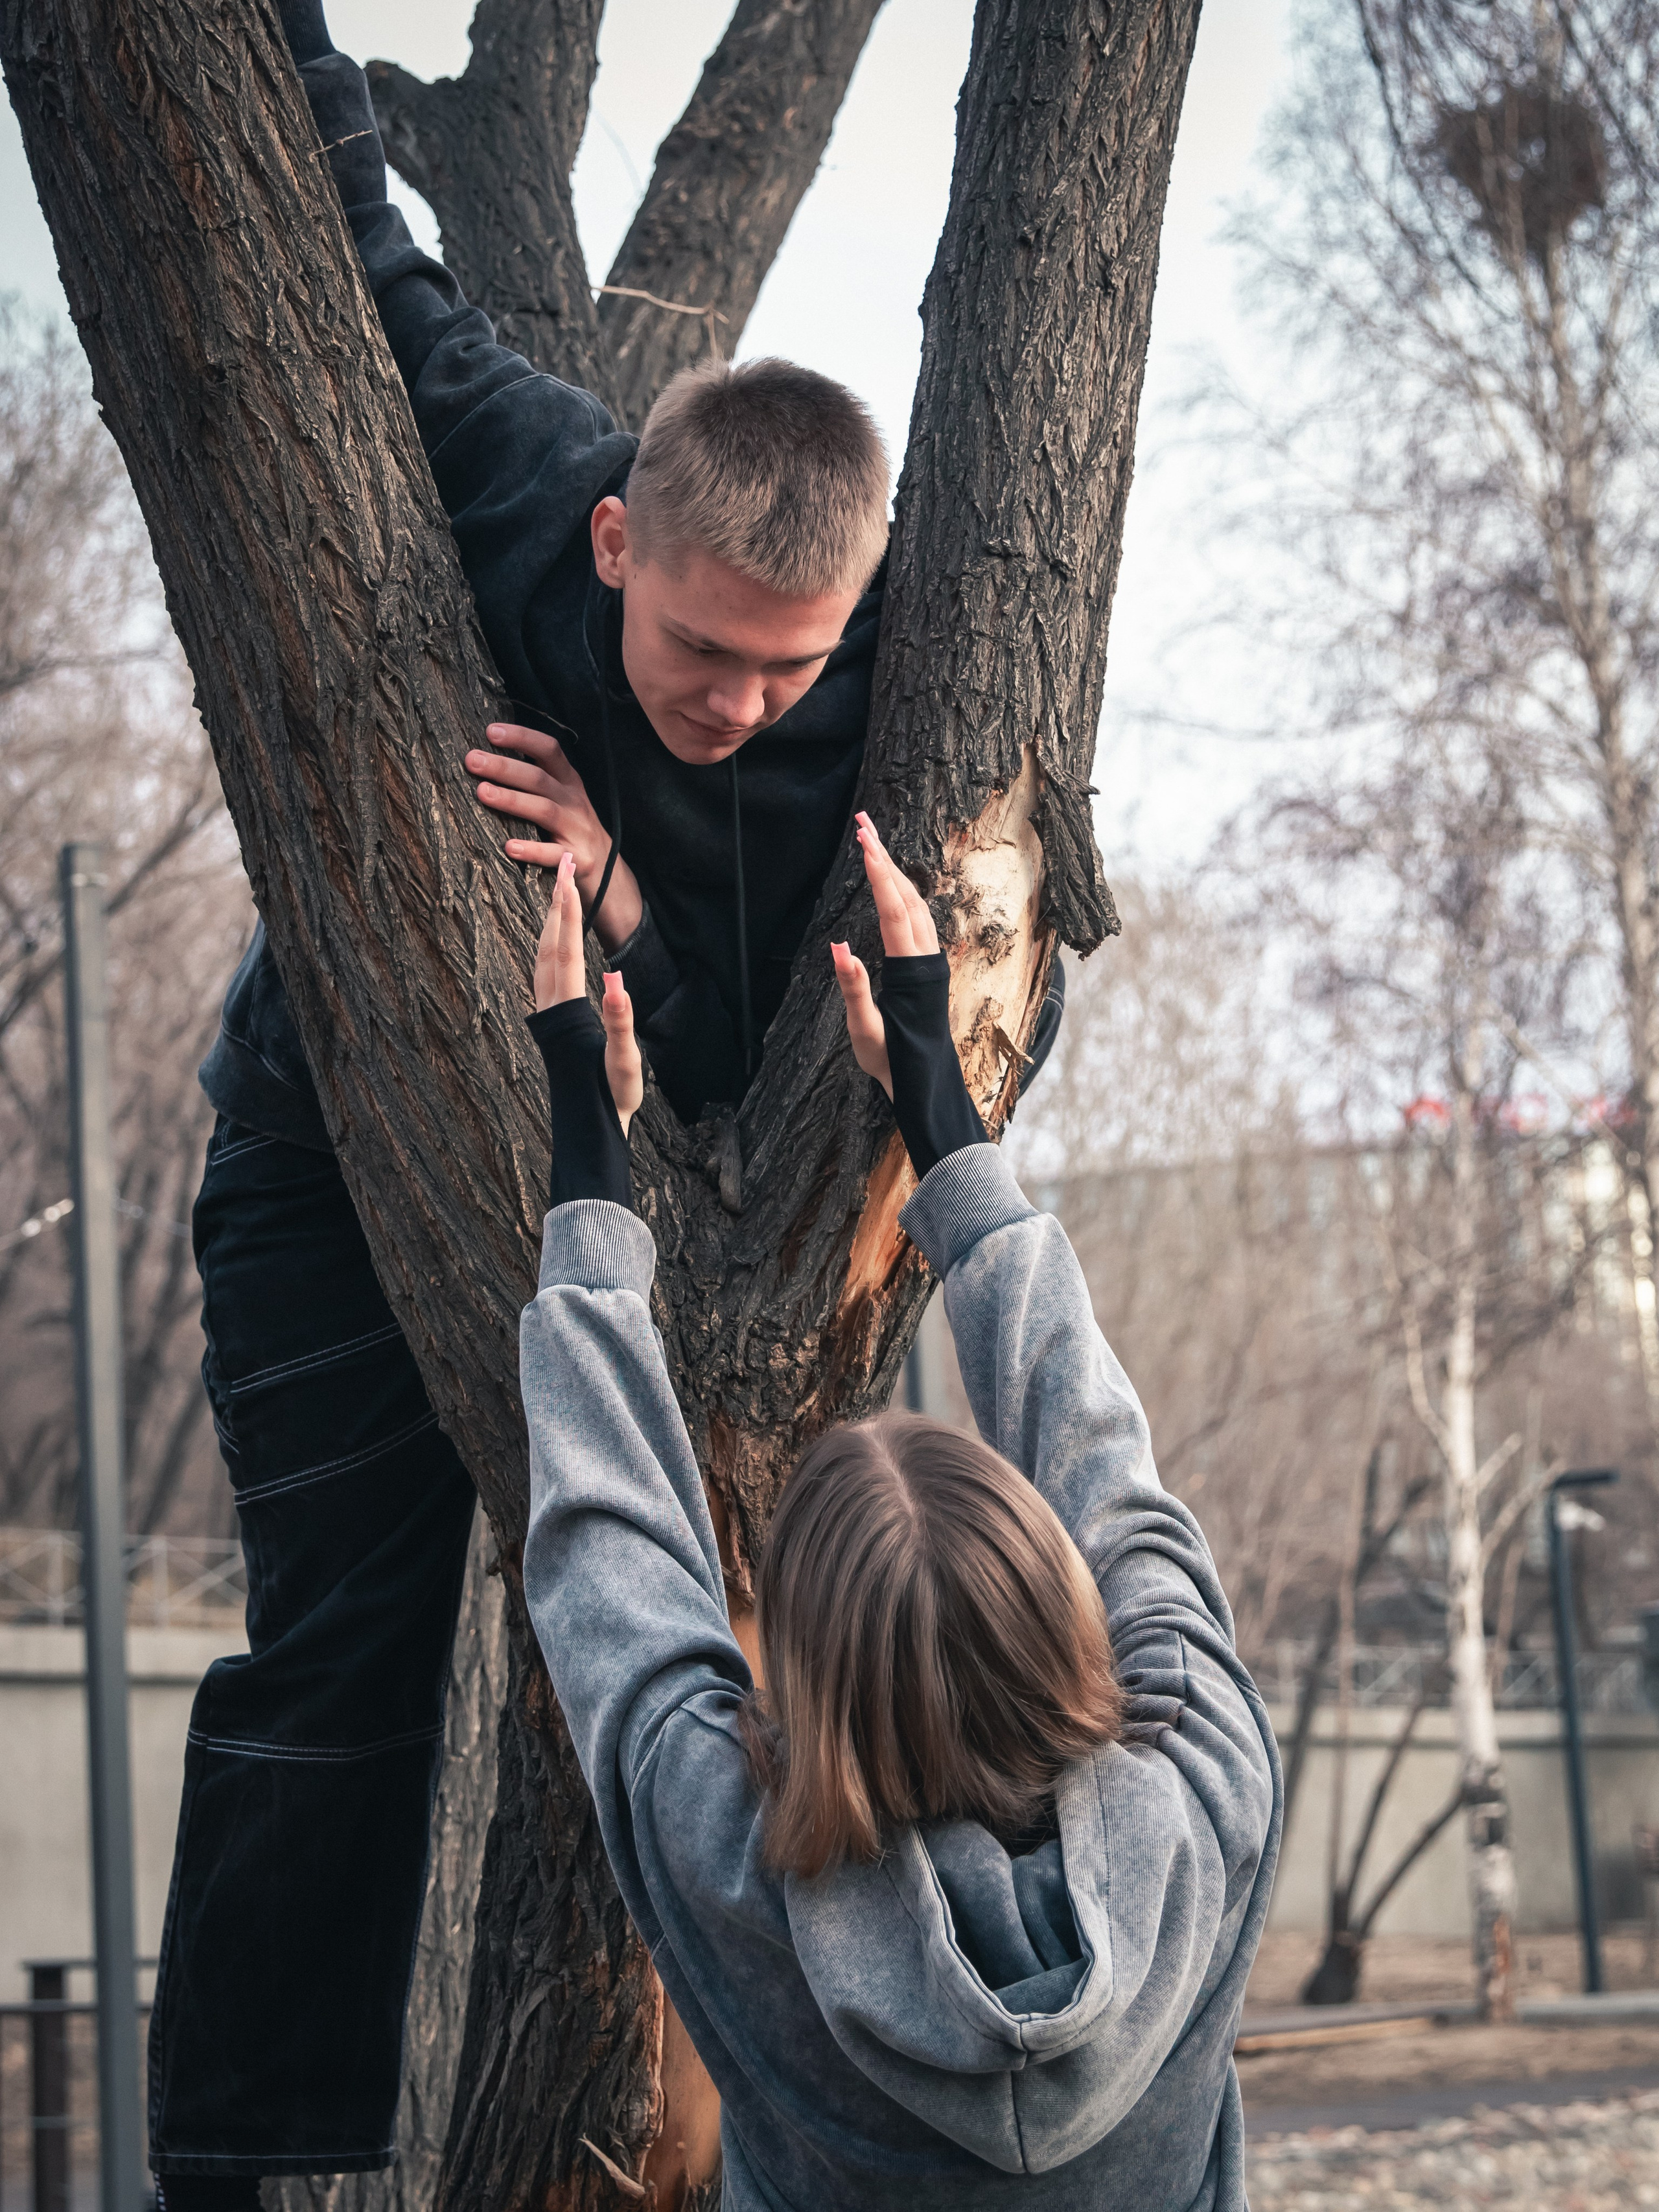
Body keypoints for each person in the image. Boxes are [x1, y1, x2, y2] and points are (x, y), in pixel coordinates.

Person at [150, 4, 1062, 2198]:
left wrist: (632, 891)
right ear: (615, 540)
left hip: (641, 1191)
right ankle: (234, 2158)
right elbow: (357, 250)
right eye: (703, 658)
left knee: (732, 1650)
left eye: (796, 663)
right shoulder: (522, 453)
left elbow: (765, 1041)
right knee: (331, 1650)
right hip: (327, 1123)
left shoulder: (878, 700)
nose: (751, 704)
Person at [518, 815, 1282, 2208]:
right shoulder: (1206, 1804)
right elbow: (1107, 1463)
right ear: (1061, 1613)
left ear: (798, 1676)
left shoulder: (749, 1887)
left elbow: (607, 1559)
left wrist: (585, 1130)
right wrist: (937, 1095)